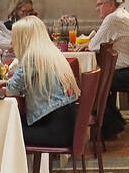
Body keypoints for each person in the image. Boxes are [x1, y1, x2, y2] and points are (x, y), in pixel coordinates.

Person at [5, 16, 81, 148]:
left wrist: (5, 84)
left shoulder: (32, 56)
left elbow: (12, 90)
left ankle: (9, 169)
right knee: (13, 126)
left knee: (5, 132)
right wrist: (3, 83)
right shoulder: (51, 52)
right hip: (66, 125)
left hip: (54, 131)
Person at [87, 0, 129, 139]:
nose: (97, 9)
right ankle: (115, 122)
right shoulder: (122, 14)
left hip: (126, 74)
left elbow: (93, 46)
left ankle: (110, 126)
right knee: (98, 80)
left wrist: (87, 43)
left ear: (111, 4)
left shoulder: (113, 18)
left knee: (91, 83)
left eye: (100, 4)